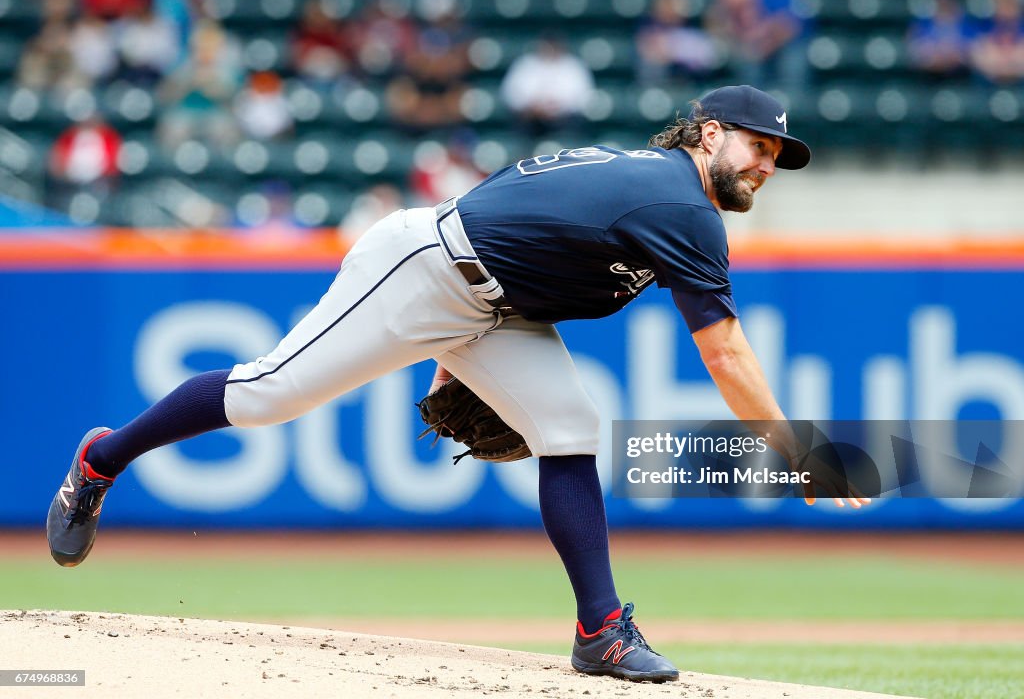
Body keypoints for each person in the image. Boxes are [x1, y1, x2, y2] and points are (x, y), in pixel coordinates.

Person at [47, 85, 868, 683]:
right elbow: (726, 356)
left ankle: (601, 631)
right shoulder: (681, 205)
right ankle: (101, 462)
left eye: (775, 158)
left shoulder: (643, 173)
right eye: (756, 147)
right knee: (269, 394)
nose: (764, 165)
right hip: (424, 271)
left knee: (571, 426)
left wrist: (459, 348)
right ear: (709, 133)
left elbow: (514, 198)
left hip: (487, 301)